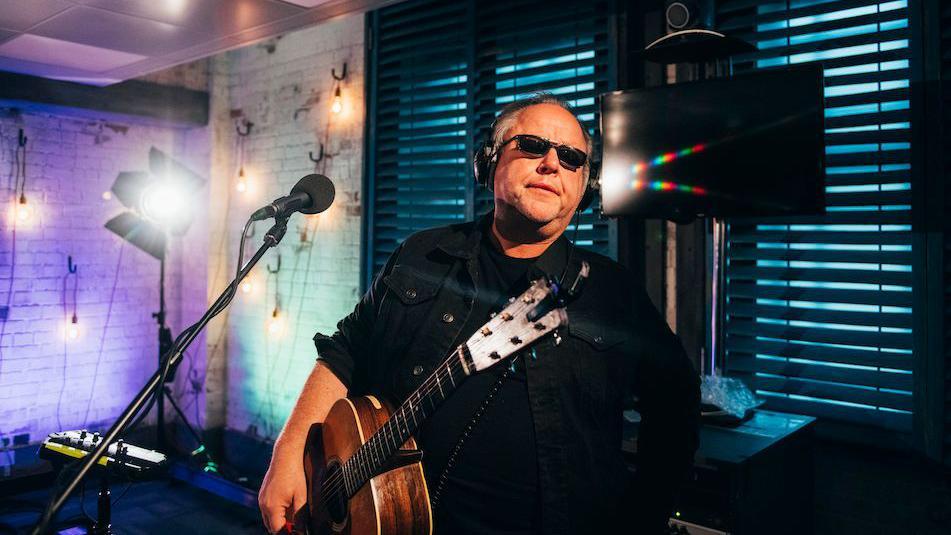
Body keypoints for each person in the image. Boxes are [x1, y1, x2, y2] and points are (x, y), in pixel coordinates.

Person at [258, 94, 700, 534]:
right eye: (532, 145)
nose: (551, 163)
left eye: (571, 158)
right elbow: (346, 351)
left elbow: (675, 410)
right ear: (487, 162)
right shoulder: (421, 254)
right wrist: (290, 451)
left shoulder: (613, 291)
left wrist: (643, 518)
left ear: (585, 185)